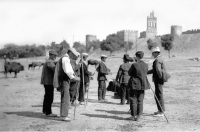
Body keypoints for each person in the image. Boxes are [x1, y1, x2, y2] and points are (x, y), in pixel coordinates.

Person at [53, 48, 80, 121]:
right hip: (64, 79)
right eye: (74, 55)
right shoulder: (65, 59)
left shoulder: (66, 58)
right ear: (70, 53)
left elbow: (70, 69)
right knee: (65, 97)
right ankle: (64, 115)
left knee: (66, 97)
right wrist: (74, 77)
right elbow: (68, 71)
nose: (74, 56)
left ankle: (65, 113)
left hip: (65, 79)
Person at [127, 51, 149, 121]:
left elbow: (129, 73)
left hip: (134, 84)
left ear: (136, 56)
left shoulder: (134, 64)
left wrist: (134, 63)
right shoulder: (146, 64)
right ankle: (139, 116)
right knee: (140, 100)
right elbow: (145, 73)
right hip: (143, 84)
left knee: (133, 99)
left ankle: (133, 116)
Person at [148, 47, 166, 117]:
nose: (152, 55)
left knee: (159, 95)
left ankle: (161, 112)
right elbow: (155, 70)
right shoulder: (160, 58)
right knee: (157, 95)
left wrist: (160, 78)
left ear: (156, 53)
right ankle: (160, 110)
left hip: (158, 80)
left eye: (153, 53)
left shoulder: (157, 60)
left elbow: (158, 70)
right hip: (159, 79)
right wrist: (147, 72)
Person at [40, 50, 58, 117]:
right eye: (54, 56)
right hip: (48, 82)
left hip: (47, 82)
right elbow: (55, 69)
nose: (55, 57)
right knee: (50, 97)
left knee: (47, 96)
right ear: (50, 55)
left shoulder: (48, 61)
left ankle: (45, 111)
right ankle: (48, 112)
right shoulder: (49, 62)